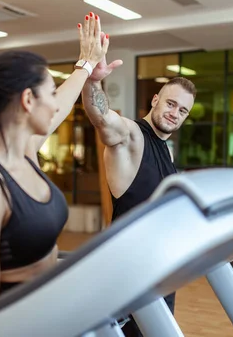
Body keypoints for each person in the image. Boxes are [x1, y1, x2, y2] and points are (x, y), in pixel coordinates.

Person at [0, 12, 111, 309]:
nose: (55, 103)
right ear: (27, 100)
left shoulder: (25, 153)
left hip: (53, 309)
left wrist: (86, 66)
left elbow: (62, 105)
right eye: (50, 93)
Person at [81, 68, 196, 335]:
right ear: (155, 99)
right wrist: (93, 79)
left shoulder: (164, 150)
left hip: (160, 271)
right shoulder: (132, 136)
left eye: (182, 111)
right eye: (170, 103)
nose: (174, 113)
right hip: (130, 272)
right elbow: (103, 119)